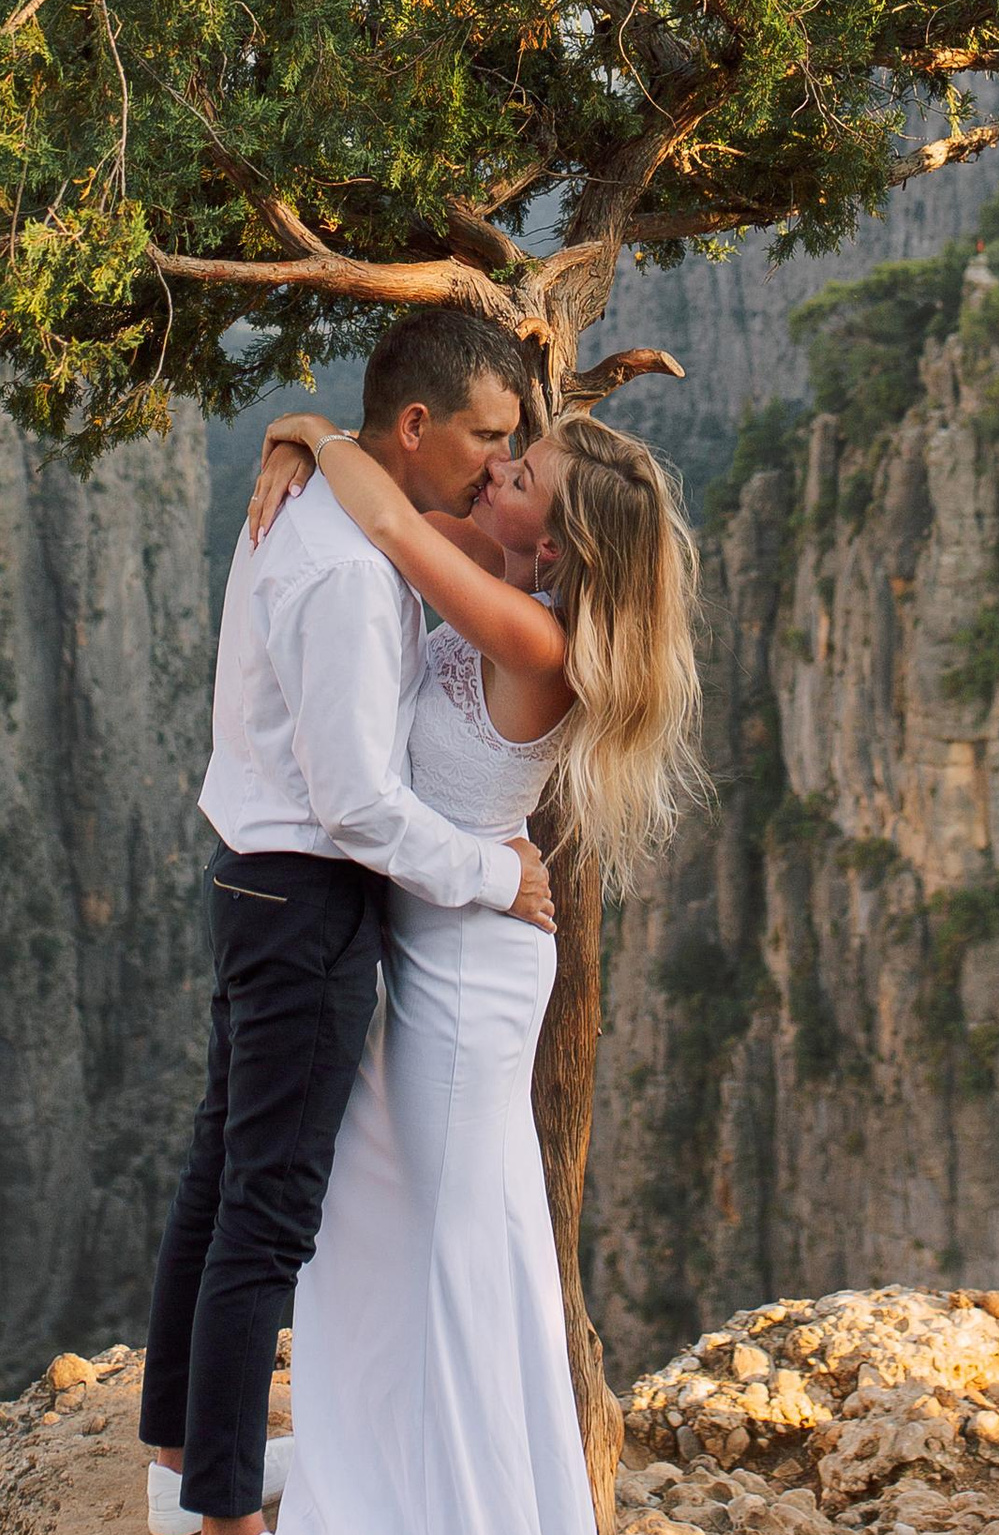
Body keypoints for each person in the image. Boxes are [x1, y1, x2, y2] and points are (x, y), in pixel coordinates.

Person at [242, 386, 704, 1535]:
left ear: (550, 542)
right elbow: (387, 492)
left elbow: (390, 522)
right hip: (438, 937)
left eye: (519, 474)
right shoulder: (506, 573)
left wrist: (319, 436)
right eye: (504, 455)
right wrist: (295, 429)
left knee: (449, 1251)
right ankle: (406, 1484)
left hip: (466, 972)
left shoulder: (536, 635)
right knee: (393, 1233)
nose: (493, 471)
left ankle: (465, 1507)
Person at [138, 310, 558, 1535]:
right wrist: (497, 876)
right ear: (416, 427)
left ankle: (177, 1455)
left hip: (254, 875)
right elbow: (362, 807)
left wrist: (311, 433)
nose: (498, 461)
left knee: (220, 1176)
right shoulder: (347, 577)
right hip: (308, 899)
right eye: (489, 436)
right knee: (265, 1211)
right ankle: (219, 1512)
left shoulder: (324, 516)